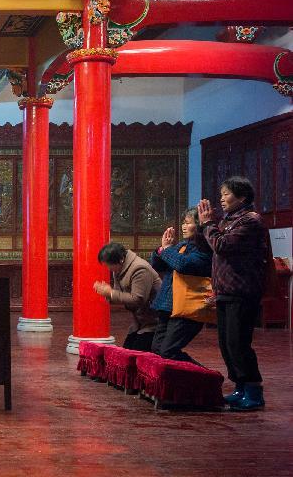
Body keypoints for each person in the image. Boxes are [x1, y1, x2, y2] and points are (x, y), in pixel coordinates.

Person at [199, 176, 269, 410]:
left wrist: (208, 225)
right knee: (227, 344)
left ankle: (254, 391)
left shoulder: (250, 221)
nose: (221, 198)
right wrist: (205, 227)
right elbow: (213, 246)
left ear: (242, 197)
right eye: (221, 193)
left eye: (226, 194)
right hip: (226, 291)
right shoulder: (229, 220)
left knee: (239, 343)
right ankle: (240, 387)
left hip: (242, 291)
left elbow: (222, 246)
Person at [149, 209, 213, 363]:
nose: (184, 227)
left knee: (168, 351)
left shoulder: (205, 248)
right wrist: (161, 249)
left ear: (199, 225)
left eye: (188, 223)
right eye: (183, 223)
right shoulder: (182, 245)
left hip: (188, 307)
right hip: (168, 305)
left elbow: (183, 264)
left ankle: (205, 378)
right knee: (157, 349)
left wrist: (167, 250)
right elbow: (158, 265)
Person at [94, 242, 161, 351]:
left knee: (139, 356)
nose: (108, 268)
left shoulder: (140, 268)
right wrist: (108, 293)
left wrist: (111, 293)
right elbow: (119, 293)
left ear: (120, 259)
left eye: (108, 265)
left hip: (155, 321)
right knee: (126, 354)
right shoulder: (118, 268)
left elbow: (138, 299)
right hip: (139, 321)